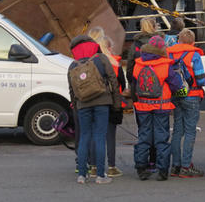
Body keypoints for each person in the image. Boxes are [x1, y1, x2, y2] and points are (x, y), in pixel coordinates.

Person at [68, 35, 120, 184]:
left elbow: (71, 90)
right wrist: (116, 104)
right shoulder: (102, 59)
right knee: (99, 136)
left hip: (83, 104)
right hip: (102, 102)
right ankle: (100, 176)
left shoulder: (72, 65)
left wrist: (76, 107)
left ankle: (82, 175)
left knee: (84, 137)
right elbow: (113, 81)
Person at [132, 35, 183, 181]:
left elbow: (134, 83)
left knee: (143, 137)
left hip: (142, 105)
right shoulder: (165, 65)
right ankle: (162, 170)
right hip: (161, 105)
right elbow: (177, 85)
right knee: (161, 138)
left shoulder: (138, 64)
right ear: (162, 49)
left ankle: (141, 168)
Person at [166, 29, 205, 177]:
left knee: (177, 130)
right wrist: (202, 83)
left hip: (176, 93)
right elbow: (201, 78)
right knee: (190, 131)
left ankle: (175, 166)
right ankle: (185, 166)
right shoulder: (194, 55)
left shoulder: (170, 53)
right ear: (193, 42)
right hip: (192, 94)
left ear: (179, 41)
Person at [86, 27, 125, 178]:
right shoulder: (115, 64)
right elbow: (121, 83)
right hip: (112, 102)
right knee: (110, 136)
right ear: (108, 47)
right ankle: (112, 166)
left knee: (96, 134)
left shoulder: (89, 62)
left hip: (94, 101)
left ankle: (94, 166)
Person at [127, 17, 163, 171]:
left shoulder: (135, 45)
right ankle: (156, 161)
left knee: (143, 127)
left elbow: (129, 69)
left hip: (140, 91)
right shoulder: (160, 43)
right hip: (160, 92)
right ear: (155, 26)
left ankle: (143, 161)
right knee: (159, 128)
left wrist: (133, 86)